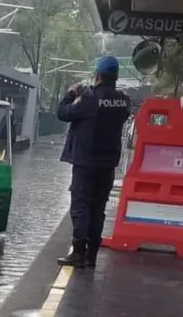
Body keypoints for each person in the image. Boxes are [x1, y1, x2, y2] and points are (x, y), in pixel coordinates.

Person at [56, 55, 131, 268]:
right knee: (98, 208)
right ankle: (91, 256)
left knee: (80, 206)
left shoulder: (89, 99)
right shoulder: (122, 101)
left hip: (85, 162)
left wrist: (71, 94)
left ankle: (78, 252)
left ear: (97, 75)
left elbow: (63, 113)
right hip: (108, 164)